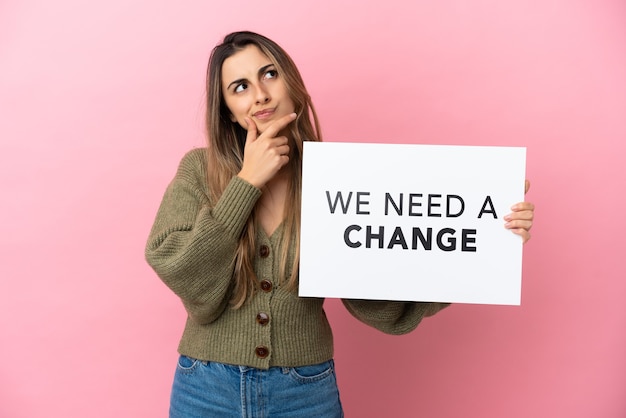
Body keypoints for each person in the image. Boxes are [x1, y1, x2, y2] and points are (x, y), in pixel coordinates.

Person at [145, 31, 535, 417]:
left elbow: (376, 301)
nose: (260, 94)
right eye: (241, 86)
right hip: (205, 387)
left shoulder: (339, 176)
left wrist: (487, 240)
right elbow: (183, 271)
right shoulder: (198, 170)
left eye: (269, 74)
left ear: (291, 82)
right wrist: (246, 183)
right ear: (228, 109)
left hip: (304, 391)